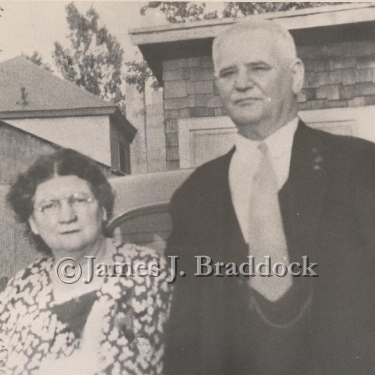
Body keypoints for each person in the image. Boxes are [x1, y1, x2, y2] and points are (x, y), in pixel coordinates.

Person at [164, 20, 375, 375]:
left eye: (258, 68)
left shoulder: (359, 167)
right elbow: (186, 331)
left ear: (295, 76)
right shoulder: (194, 194)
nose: (242, 83)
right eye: (228, 73)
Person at [0, 148, 171, 375]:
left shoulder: (149, 273)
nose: (67, 216)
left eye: (79, 200)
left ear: (102, 209)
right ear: (32, 222)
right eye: (49, 206)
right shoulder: (19, 290)